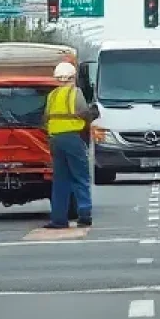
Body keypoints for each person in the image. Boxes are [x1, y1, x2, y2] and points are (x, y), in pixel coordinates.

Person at [43, 61, 97, 229]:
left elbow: (45, 119)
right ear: (73, 77)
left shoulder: (51, 96)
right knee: (80, 177)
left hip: (55, 139)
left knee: (60, 180)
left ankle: (59, 219)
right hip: (73, 138)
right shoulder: (76, 93)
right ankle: (84, 214)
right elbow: (84, 113)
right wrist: (92, 114)